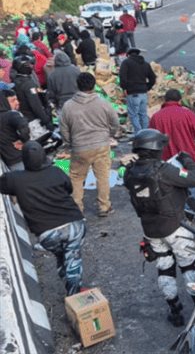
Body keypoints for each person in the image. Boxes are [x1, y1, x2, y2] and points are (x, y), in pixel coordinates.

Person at [123, 129, 195, 326]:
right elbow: (194, 179)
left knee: (165, 269)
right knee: (188, 266)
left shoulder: (129, 172)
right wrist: (187, 160)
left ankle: (175, 310)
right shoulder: (163, 170)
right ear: (156, 149)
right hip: (175, 227)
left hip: (151, 230)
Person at [0, 141, 86, 296]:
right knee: (73, 259)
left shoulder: (15, 179)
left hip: (47, 234)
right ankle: (76, 296)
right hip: (74, 224)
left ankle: (71, 289)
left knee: (62, 257)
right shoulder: (56, 171)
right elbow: (69, 189)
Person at [60, 72, 120, 217]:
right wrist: (109, 134)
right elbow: (115, 122)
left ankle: (78, 208)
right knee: (103, 176)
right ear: (94, 85)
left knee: (76, 177)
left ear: (77, 86)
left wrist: (70, 143)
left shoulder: (68, 106)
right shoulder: (103, 103)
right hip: (101, 145)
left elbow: (64, 129)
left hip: (80, 148)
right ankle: (104, 206)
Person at [149, 89, 195, 162]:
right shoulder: (188, 114)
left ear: (165, 100)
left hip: (165, 160)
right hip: (188, 158)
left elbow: (152, 137)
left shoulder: (155, 117)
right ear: (180, 100)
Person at [12, 54, 53, 140]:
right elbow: (35, 105)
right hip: (33, 119)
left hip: (25, 117)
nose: (32, 67)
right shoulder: (28, 84)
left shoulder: (16, 81)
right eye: (30, 65)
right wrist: (46, 120)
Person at [119, 48, 156, 135]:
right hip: (143, 93)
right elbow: (153, 78)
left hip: (133, 93)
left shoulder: (126, 63)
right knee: (143, 114)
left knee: (133, 115)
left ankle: (139, 134)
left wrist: (124, 88)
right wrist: (147, 87)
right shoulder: (145, 64)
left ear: (128, 55)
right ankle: (146, 133)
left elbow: (122, 77)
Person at [0, 89, 30, 171]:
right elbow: (24, 126)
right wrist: (24, 140)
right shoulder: (11, 115)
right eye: (13, 100)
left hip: (9, 162)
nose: (17, 102)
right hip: (20, 156)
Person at [46, 51, 81, 117]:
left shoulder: (52, 75)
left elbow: (51, 93)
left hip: (62, 104)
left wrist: (53, 104)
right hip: (78, 100)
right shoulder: (76, 70)